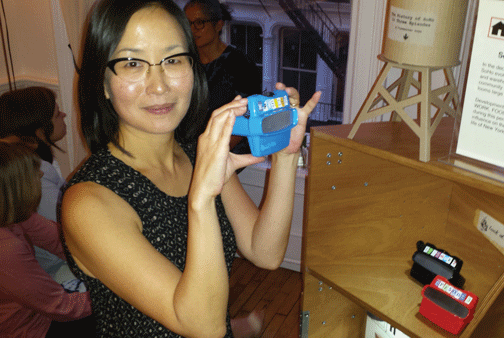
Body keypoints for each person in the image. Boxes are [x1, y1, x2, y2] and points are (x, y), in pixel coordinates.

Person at [60, 1, 320, 337]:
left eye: (172, 60)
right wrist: (201, 199)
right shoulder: (88, 202)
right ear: (104, 82)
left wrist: (286, 156)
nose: (159, 85)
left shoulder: (196, 155)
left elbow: (265, 251)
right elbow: (202, 325)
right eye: (133, 63)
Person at [0, 141, 93, 338]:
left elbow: (64, 244)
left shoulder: (17, 216)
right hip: (30, 330)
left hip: (41, 315)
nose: (41, 174)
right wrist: (111, 296)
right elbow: (61, 307)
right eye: (32, 172)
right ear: (14, 187)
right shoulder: (7, 250)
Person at [0, 87, 83, 291]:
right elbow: (69, 229)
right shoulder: (35, 172)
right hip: (53, 270)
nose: (63, 115)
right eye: (56, 114)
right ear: (38, 131)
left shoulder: (39, 162)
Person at [184, 0, 262, 152]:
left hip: (225, 152)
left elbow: (248, 114)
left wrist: (215, 153)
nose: (193, 29)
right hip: (188, 149)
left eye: (199, 22)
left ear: (218, 25)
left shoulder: (239, 64)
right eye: (188, 23)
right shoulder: (186, 62)